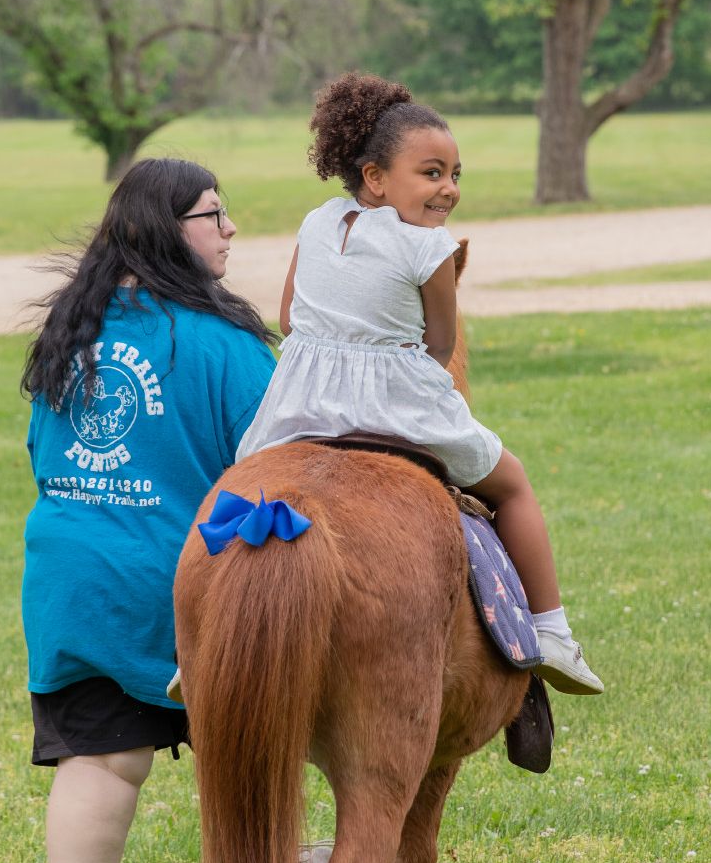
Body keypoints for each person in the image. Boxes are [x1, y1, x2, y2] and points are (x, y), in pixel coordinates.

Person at [237, 71, 603, 697]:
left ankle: (198, 647)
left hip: (300, 405)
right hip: (396, 405)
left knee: (241, 489)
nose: (449, 189)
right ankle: (552, 633)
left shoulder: (319, 221)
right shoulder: (430, 248)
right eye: (431, 173)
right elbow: (438, 344)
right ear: (376, 177)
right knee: (512, 485)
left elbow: (290, 317)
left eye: (455, 174)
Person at [21, 158, 277, 863]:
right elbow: (277, 464)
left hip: (76, 582)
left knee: (97, 762)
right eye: (214, 214)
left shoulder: (72, 327)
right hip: (190, 587)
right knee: (252, 750)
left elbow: (40, 453)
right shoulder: (226, 345)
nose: (230, 228)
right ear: (168, 229)